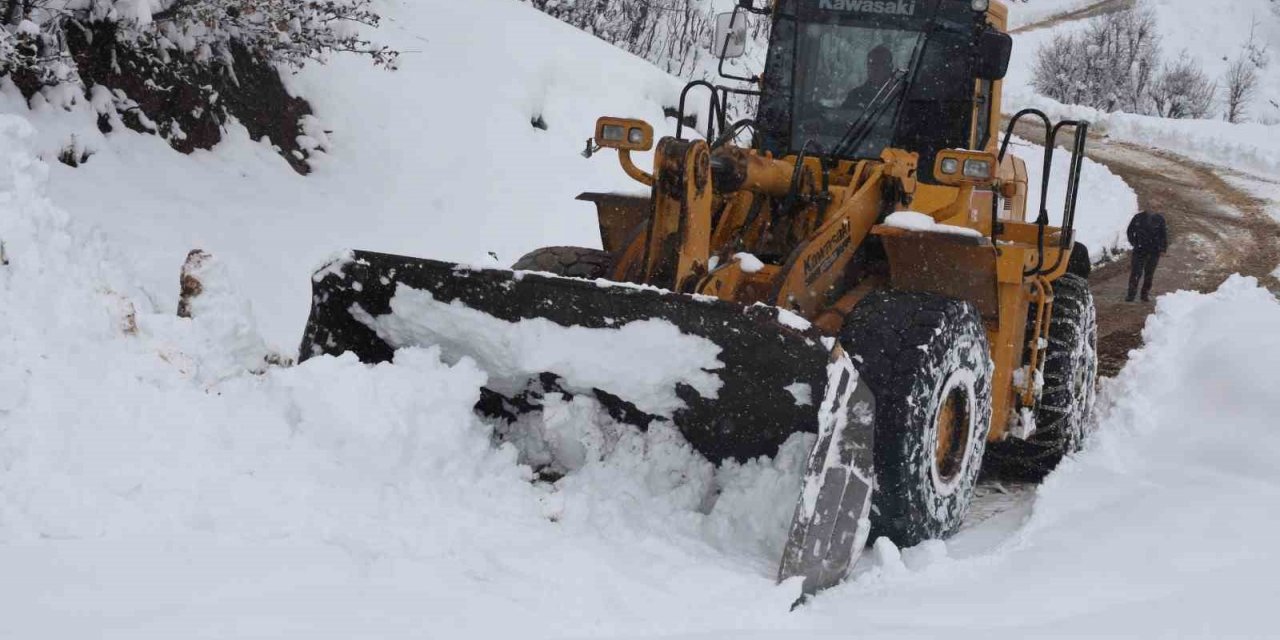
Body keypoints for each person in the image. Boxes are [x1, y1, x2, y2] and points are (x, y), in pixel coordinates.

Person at [1126, 209, 1169, 302]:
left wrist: (1163, 248)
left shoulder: (1160, 219)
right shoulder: (1138, 217)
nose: (1153, 208)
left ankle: (1144, 294)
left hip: (1154, 251)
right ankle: (1131, 294)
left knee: (1149, 274)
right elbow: (1130, 231)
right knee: (1136, 272)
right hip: (1139, 250)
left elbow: (1163, 235)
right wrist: (1134, 242)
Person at [843, 45, 895, 111]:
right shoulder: (855, 96)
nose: (875, 68)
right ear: (867, 66)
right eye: (872, 64)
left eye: (881, 63)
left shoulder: (900, 97)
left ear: (890, 67)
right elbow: (841, 117)